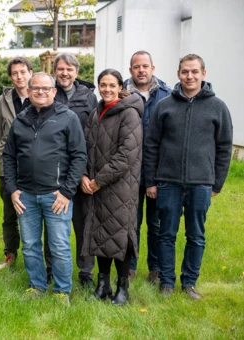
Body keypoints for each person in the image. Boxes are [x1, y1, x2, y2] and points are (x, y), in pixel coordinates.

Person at [145, 54, 233, 299]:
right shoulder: (165, 106)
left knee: (196, 235)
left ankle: (189, 283)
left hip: (200, 183)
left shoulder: (218, 107)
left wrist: (217, 183)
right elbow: (151, 144)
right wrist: (151, 180)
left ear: (203, 74)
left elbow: (224, 147)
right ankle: (167, 283)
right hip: (168, 182)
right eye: (185, 71)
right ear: (178, 74)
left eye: (194, 71)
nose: (190, 76)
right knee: (166, 233)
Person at [3, 72, 87, 304]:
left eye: (45, 88)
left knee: (59, 246)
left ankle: (62, 290)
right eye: (36, 88)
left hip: (56, 195)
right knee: (30, 245)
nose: (40, 92)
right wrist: (12, 189)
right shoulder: (20, 120)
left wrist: (67, 192)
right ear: (28, 92)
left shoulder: (68, 118)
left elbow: (79, 156)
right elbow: (8, 157)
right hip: (26, 196)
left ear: (54, 91)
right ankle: (36, 285)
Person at [81, 69, 143, 306]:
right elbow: (85, 147)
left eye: (112, 85)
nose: (107, 89)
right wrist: (84, 175)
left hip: (119, 187)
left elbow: (126, 155)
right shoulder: (96, 113)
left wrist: (97, 181)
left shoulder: (129, 114)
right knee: (100, 234)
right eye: (103, 85)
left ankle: (122, 289)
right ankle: (103, 285)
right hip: (95, 186)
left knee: (120, 236)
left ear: (120, 87)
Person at [124, 51, 171, 283]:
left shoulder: (167, 95)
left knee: (156, 223)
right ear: (130, 69)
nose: (141, 70)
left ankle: (155, 267)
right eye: (136, 66)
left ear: (153, 67)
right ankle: (129, 267)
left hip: (158, 172)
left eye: (145, 66)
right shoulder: (121, 94)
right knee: (130, 222)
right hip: (127, 173)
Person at [52, 52, 98, 287]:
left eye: (69, 69)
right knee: (53, 223)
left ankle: (86, 271)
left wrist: (86, 173)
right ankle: (52, 268)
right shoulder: (48, 93)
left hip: (82, 170)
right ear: (55, 71)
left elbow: (94, 135)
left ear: (76, 72)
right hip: (53, 171)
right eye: (60, 69)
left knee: (83, 223)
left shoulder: (88, 97)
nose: (65, 73)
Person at [0, 57, 33, 271]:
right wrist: (4, 156)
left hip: (33, 166)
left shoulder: (40, 95)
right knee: (9, 213)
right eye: (15, 73)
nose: (19, 76)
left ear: (30, 72)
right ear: (10, 76)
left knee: (32, 212)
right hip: (8, 166)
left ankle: (32, 255)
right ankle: (10, 255)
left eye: (23, 72)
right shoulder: (3, 100)